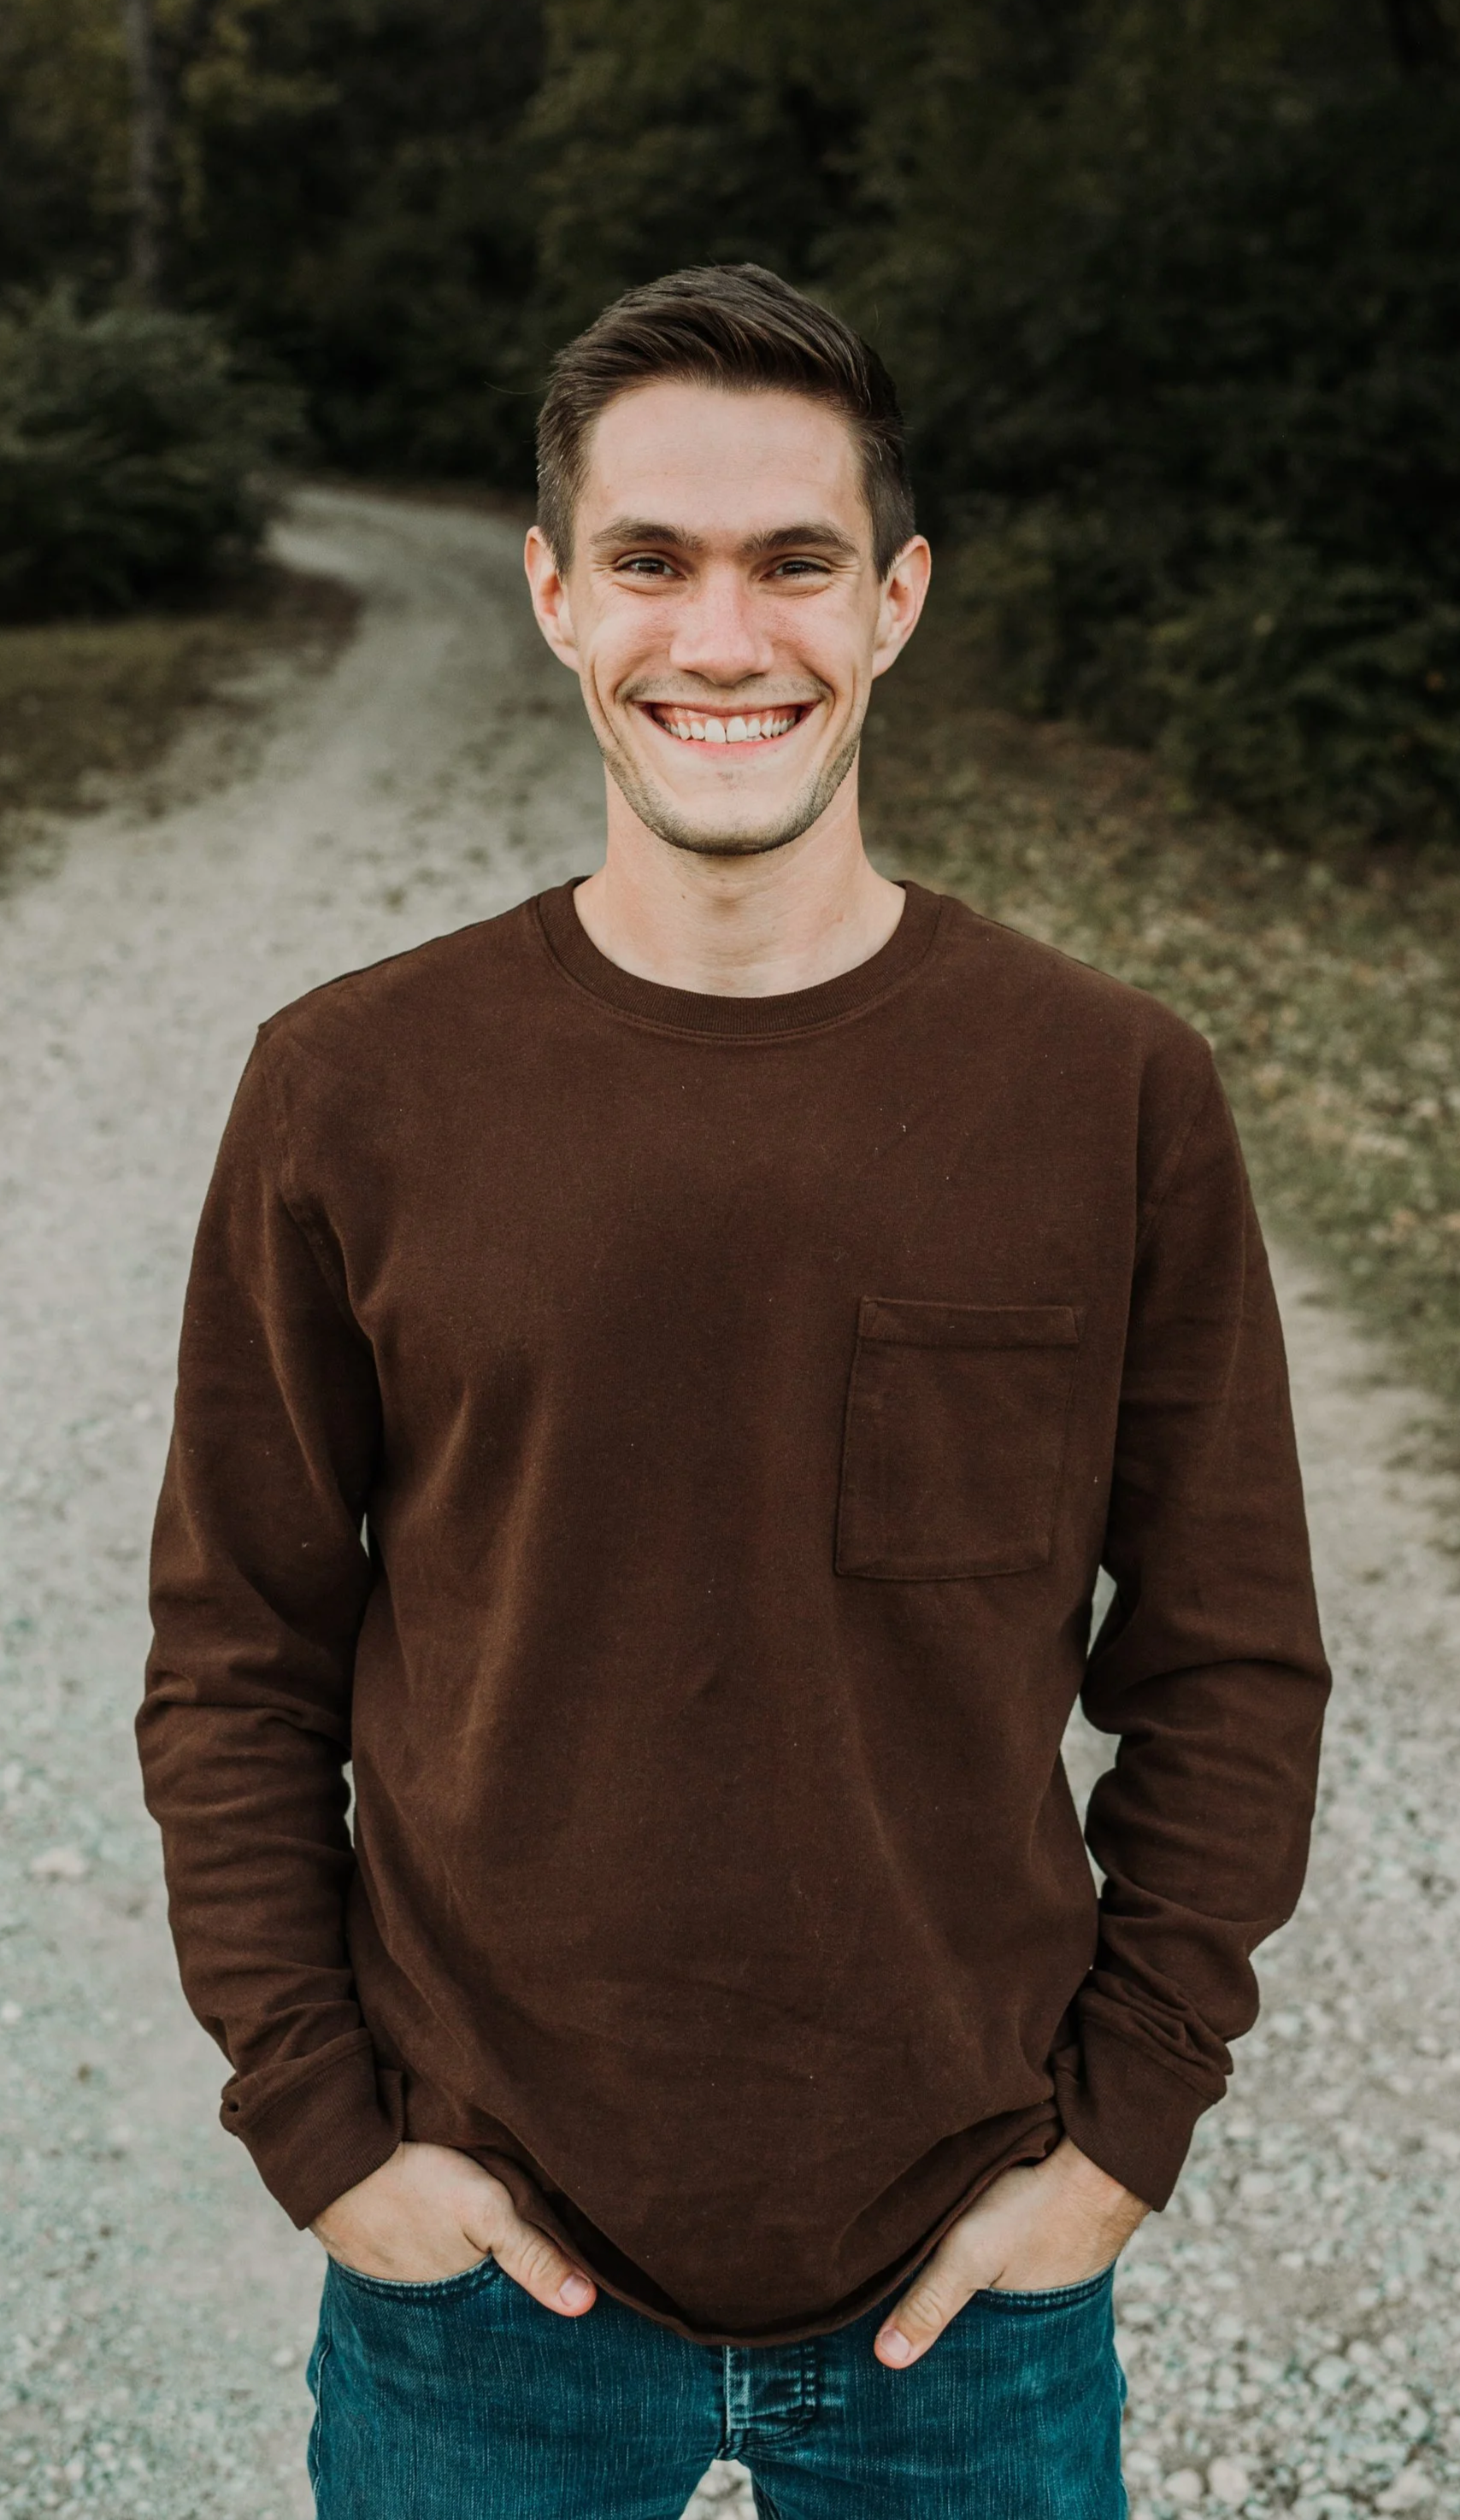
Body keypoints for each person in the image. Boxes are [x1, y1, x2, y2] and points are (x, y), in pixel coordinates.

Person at [138, 263, 1330, 2520]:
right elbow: (237, 1654)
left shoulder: (1107, 1090)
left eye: (791, 560)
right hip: (475, 2284)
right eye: (649, 563)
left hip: (962, 2294)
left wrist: (1119, 2132)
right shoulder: (350, 1088)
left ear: (890, 600)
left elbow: (1229, 1657)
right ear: (549, 597)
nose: (721, 633)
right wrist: (323, 2135)